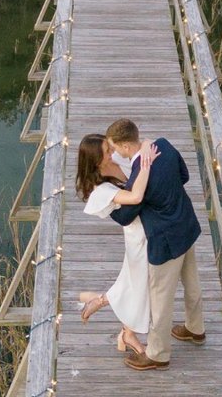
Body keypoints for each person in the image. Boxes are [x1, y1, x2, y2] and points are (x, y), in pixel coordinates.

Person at [105, 117, 206, 372]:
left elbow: (125, 216)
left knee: (160, 299)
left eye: (115, 149)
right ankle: (196, 329)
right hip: (187, 225)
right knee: (192, 282)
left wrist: (108, 203)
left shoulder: (140, 175)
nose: (115, 154)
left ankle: (158, 354)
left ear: (126, 146)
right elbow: (184, 175)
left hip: (166, 242)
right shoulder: (165, 146)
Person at [74, 133, 159, 355]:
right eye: (106, 152)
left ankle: (105, 307)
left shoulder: (116, 159)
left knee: (138, 283)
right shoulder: (100, 191)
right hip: (138, 236)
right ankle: (126, 332)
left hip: (151, 226)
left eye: (110, 148)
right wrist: (146, 164)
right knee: (141, 285)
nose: (112, 153)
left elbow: (145, 142)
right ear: (96, 161)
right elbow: (135, 196)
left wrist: (147, 148)